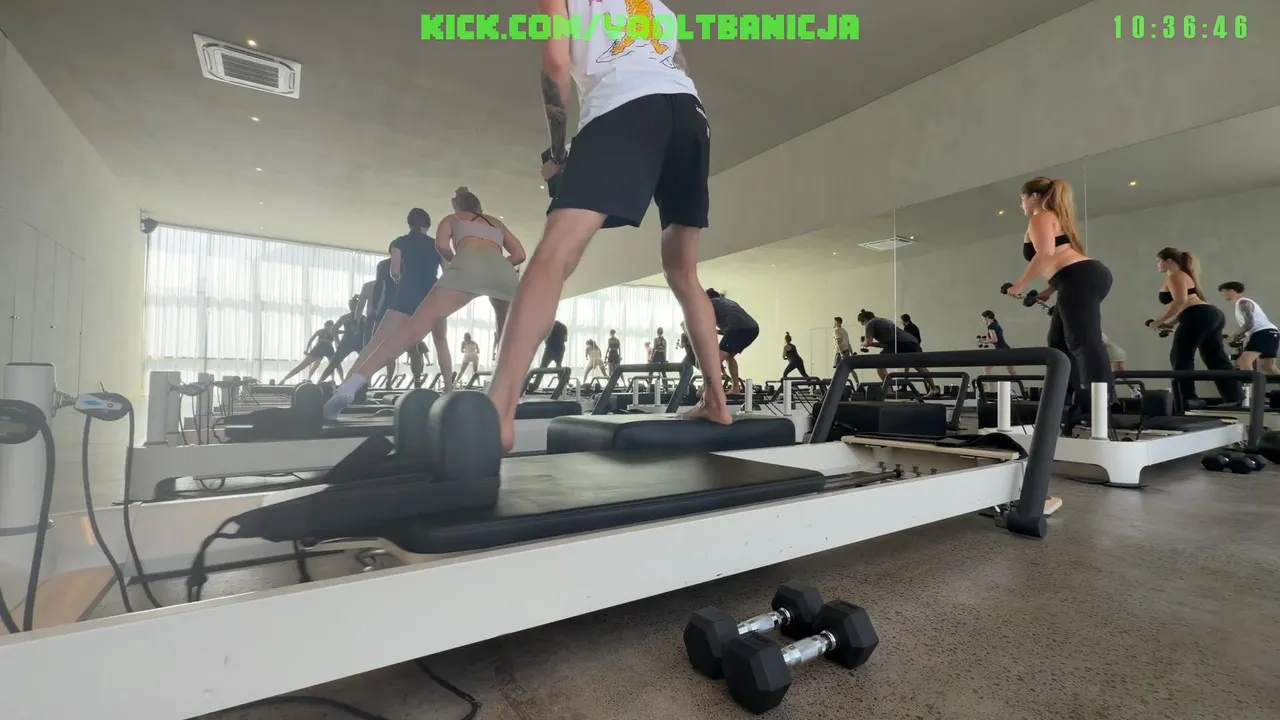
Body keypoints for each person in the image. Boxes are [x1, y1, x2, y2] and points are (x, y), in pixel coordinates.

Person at [483, 0, 724, 450]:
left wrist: (559, 154)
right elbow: (677, 66)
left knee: (555, 253)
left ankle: (498, 410)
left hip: (623, 108)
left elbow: (556, 65)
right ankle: (717, 401)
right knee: (683, 271)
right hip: (691, 118)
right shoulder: (657, 6)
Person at [325, 192, 526, 419]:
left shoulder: (452, 219)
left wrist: (460, 262)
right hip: (503, 273)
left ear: (456, 205)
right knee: (508, 336)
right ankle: (509, 394)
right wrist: (497, 265)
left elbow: (441, 246)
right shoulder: (496, 223)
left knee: (412, 331)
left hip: (461, 268)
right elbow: (520, 254)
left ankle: (350, 387)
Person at [1006, 176, 1115, 420]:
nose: (1021, 204)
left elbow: (1046, 253)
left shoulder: (1041, 217)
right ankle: (1068, 402)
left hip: (1079, 277)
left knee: (1083, 340)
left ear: (1034, 196)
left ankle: (1100, 405)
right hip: (1076, 278)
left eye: (1022, 198)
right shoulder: (1055, 218)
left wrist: (1020, 284)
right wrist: (1049, 290)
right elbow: (1060, 259)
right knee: (1058, 343)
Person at [1150, 248, 1241, 409]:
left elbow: (1179, 301)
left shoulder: (1175, 275)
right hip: (1209, 314)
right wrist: (1170, 323)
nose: (1157, 265)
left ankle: (1188, 399)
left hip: (1198, 315)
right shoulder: (1184, 276)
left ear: (1169, 261)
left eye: (1158, 261)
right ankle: (1235, 397)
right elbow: (1186, 305)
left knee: (1180, 356)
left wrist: (1159, 320)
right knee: (1215, 357)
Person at [857, 310, 933, 387]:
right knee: (918, 366)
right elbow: (886, 345)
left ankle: (889, 390)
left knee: (879, 364)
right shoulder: (883, 321)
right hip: (912, 342)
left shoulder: (870, 323)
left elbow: (867, 342)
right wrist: (872, 344)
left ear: (864, 320)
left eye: (862, 324)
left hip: (899, 344)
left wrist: (863, 343)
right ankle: (933, 388)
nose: (864, 325)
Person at [1219, 281, 1280, 375]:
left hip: (1263, 333)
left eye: (1224, 291)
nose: (1222, 294)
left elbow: (1249, 324)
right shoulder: (1242, 303)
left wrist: (1233, 337)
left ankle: (1252, 384)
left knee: (1243, 362)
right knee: (1268, 366)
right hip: (1271, 333)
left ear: (1232, 291)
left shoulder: (1243, 303)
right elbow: (1249, 327)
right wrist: (1237, 338)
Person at [706, 289, 758, 394]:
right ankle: (735, 388)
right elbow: (729, 330)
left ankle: (708, 389)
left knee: (714, 359)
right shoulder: (728, 302)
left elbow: (704, 322)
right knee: (729, 356)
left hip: (737, 329)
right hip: (753, 329)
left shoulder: (710, 303)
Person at [319, 296, 363, 383]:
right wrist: (338, 341)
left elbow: (333, 330)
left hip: (356, 343)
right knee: (334, 363)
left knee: (366, 362)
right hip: (348, 343)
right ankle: (320, 381)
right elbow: (333, 330)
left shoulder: (361, 318)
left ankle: (367, 383)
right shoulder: (348, 317)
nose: (352, 307)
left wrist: (338, 341)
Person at [980, 311, 1016, 377]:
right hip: (1006, 349)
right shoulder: (996, 324)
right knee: (1012, 371)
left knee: (986, 368)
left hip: (1000, 350)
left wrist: (983, 342)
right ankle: (1020, 384)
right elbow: (998, 338)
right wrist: (985, 340)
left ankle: (990, 384)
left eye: (983, 318)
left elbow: (994, 340)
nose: (983, 320)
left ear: (987, 317)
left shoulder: (990, 326)